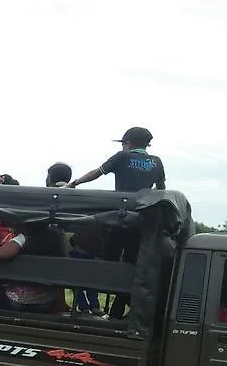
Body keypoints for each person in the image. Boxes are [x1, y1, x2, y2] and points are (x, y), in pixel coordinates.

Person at [68, 127, 165, 319]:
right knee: (130, 266)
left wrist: (74, 183)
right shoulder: (157, 162)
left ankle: (97, 305)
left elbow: (97, 172)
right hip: (141, 222)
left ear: (127, 143)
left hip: (120, 219)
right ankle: (117, 311)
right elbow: (161, 189)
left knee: (108, 263)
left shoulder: (122, 157)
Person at [0, 223, 67, 313]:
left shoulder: (23, 238)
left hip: (16, 301)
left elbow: (0, 254)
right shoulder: (54, 240)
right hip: (46, 303)